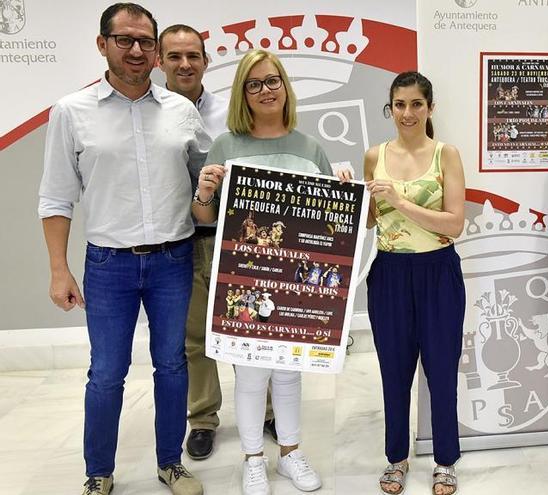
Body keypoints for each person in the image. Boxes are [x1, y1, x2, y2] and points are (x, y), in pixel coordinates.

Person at [38, 4, 209, 495]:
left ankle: (170, 463)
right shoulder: (71, 111)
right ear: (102, 44)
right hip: (108, 264)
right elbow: (55, 197)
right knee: (107, 373)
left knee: (173, 364)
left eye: (145, 41)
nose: (136, 50)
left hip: (174, 260)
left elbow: (205, 181)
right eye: (124, 40)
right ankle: (99, 472)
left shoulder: (181, 111)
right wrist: (58, 269)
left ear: (156, 50)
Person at [192, 48, 332, 495]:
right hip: (245, 281)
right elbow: (203, 218)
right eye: (254, 84)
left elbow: (333, 226)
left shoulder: (311, 149)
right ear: (242, 94)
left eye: (272, 81)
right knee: (251, 374)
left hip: (295, 283)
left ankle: (290, 453)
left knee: (289, 372)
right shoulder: (226, 146)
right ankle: (254, 458)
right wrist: (205, 191)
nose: (265, 90)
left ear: (285, 86)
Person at [338, 71, 466, 495]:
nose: (407, 113)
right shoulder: (375, 156)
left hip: (438, 272)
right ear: (389, 108)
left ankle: (445, 461)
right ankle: (396, 457)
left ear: (430, 108)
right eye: (399, 104)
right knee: (394, 372)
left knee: (442, 370)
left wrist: (399, 200)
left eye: (416, 104)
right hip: (390, 273)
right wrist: (352, 199)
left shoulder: (446, 154)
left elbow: (454, 224)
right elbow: (374, 222)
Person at [158, 22, 242, 461]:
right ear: (160, 61)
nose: (185, 64)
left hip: (232, 238)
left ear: (207, 61)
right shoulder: (149, 113)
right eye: (174, 56)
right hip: (181, 240)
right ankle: (204, 418)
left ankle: (264, 410)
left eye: (193, 56)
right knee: (194, 338)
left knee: (249, 327)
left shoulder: (232, 113)